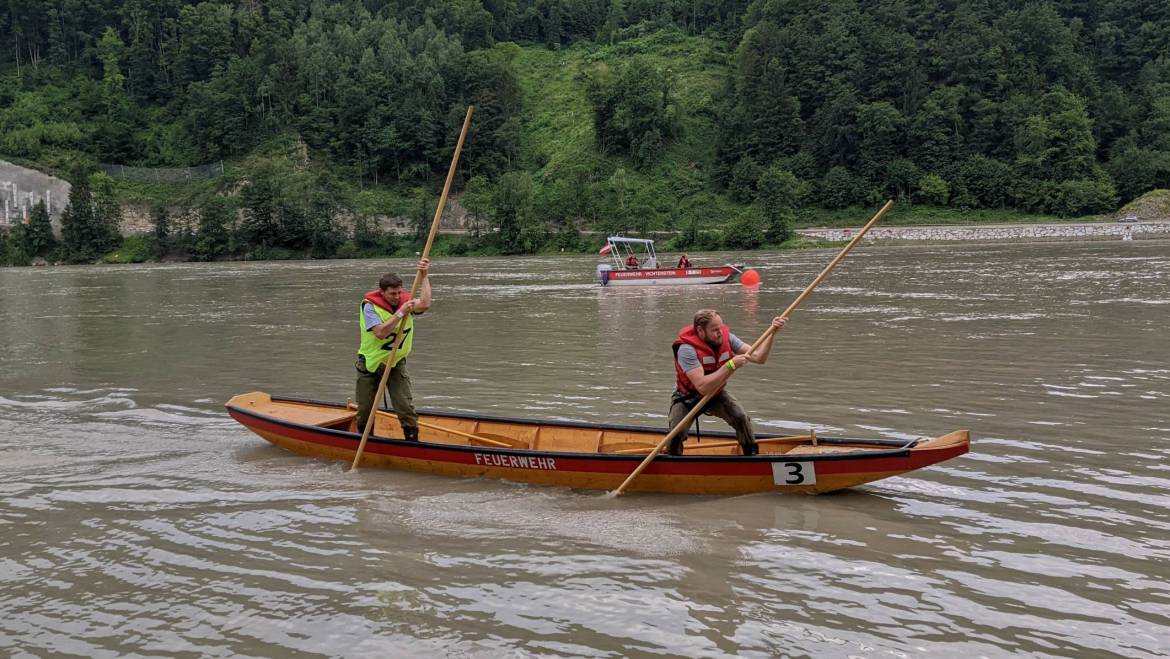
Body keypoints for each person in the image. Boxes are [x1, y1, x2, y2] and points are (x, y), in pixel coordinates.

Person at [668, 309, 786, 456]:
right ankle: (673, 460)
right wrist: (730, 365)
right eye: (714, 330)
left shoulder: (728, 338)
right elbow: (702, 386)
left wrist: (772, 332)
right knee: (676, 434)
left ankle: (752, 455)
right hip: (687, 396)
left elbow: (759, 357)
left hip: (715, 394)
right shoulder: (686, 349)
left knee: (741, 418)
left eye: (720, 328)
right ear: (700, 331)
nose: (720, 333)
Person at [355, 258, 432, 441]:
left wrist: (424, 276)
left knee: (405, 405)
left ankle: (412, 440)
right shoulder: (369, 306)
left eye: (399, 292)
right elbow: (380, 333)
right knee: (365, 408)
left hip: (396, 363)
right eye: (392, 294)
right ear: (382, 292)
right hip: (371, 364)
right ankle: (365, 440)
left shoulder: (405, 301)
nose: (397, 297)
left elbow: (425, 303)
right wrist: (400, 313)